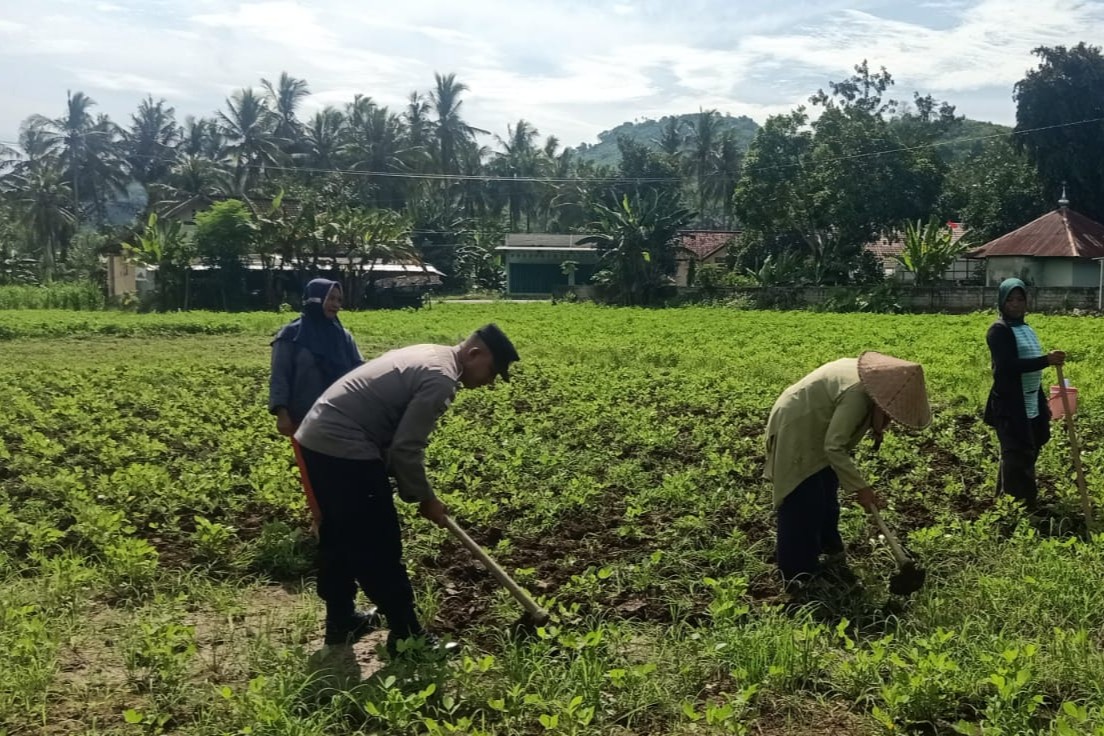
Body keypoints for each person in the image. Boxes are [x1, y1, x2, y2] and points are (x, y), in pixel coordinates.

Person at [294, 324, 520, 653]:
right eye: (492, 372)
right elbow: (405, 448)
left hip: (318, 437)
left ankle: (341, 619)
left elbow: (393, 438)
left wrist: (410, 489)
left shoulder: (431, 353)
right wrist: (426, 498)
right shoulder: (440, 378)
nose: (490, 382)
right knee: (379, 541)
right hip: (344, 445)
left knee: (340, 534)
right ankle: (407, 635)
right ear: (475, 354)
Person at [763, 352, 932, 591]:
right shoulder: (857, 395)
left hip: (817, 426)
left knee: (826, 490)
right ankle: (797, 573)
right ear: (881, 400)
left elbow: (834, 447)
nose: (889, 422)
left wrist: (856, 485)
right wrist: (861, 489)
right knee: (803, 498)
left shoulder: (870, 385)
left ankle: (828, 547)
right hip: (797, 425)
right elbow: (834, 447)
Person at [268, 278, 372, 643]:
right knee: (320, 495)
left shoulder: (343, 335)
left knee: (337, 497)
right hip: (304, 424)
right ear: (314, 297)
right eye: (331, 297)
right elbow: (280, 376)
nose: (336, 303)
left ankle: (329, 536)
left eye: (340, 298)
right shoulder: (292, 335)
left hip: (341, 425)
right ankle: (320, 525)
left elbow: (359, 372)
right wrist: (282, 412)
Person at [983, 278, 1065, 511]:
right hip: (1010, 403)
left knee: (1028, 448)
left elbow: (1030, 366)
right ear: (1002, 301)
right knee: (1018, 454)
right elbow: (1006, 366)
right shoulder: (999, 330)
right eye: (1010, 299)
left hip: (1031, 398)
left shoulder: (1026, 329)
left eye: (1020, 299)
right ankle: (1023, 507)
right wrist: (1045, 360)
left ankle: (1006, 500)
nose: (1016, 304)